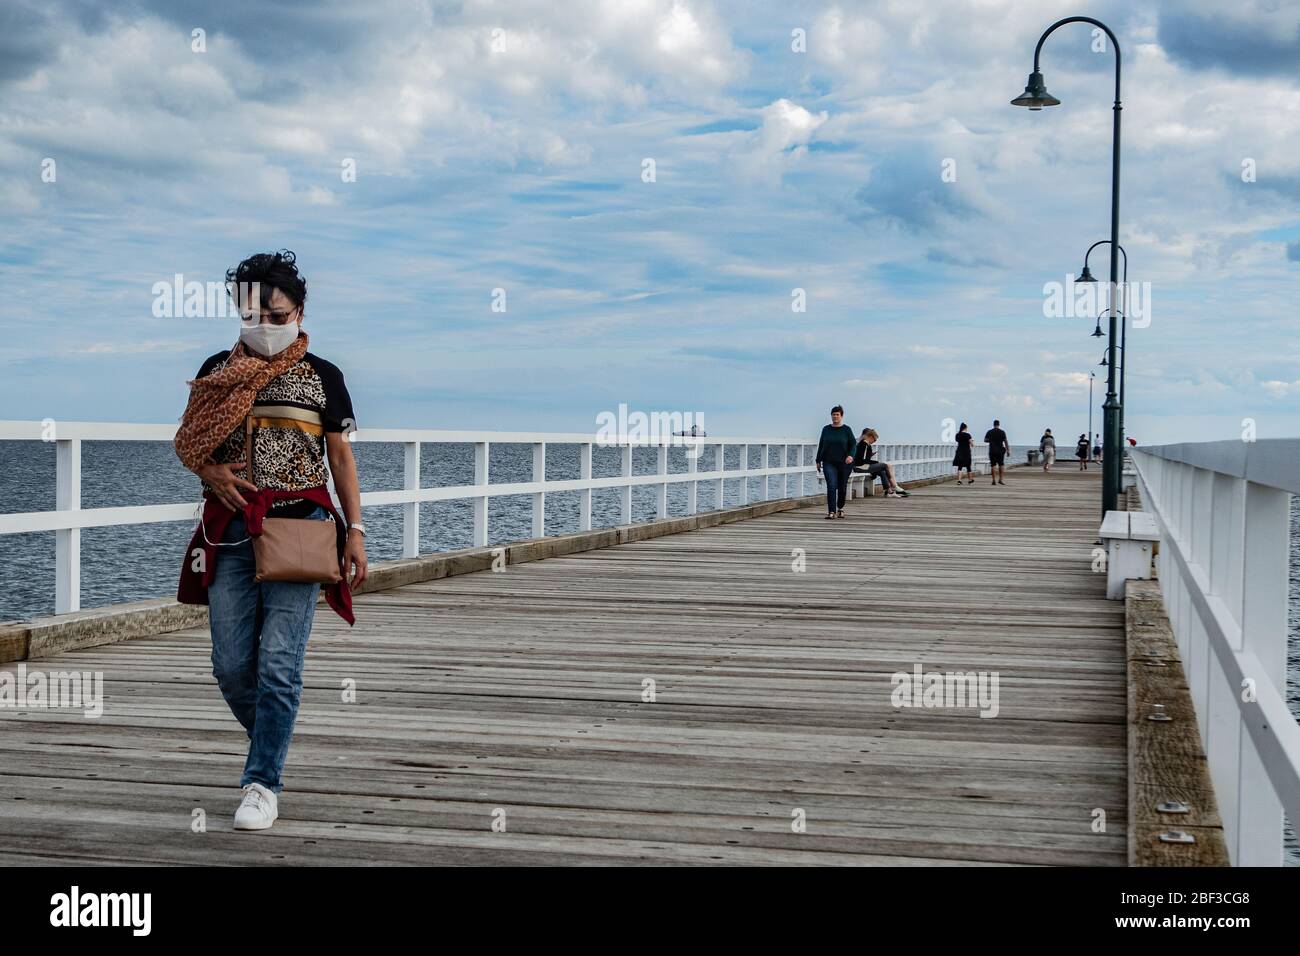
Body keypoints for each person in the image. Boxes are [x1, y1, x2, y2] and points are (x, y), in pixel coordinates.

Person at [173, 250, 368, 832]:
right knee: (232, 667)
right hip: (230, 532)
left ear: (299, 311)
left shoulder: (324, 376)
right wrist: (210, 473)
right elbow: (190, 443)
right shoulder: (217, 368)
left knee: (280, 666)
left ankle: (262, 783)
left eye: (277, 314)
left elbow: (340, 458)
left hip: (302, 533)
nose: (264, 324)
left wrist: (354, 531)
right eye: (253, 312)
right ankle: (274, 742)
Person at [815, 405, 856, 518]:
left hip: (844, 463)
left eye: (837, 415)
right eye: (833, 415)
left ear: (841, 416)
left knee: (842, 486)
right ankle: (831, 511)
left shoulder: (846, 430)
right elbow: (821, 444)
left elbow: (853, 444)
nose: (835, 417)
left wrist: (850, 456)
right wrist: (818, 460)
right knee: (831, 485)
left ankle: (840, 508)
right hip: (829, 462)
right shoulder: (826, 429)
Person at [855, 428, 909, 497]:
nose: (874, 441)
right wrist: (876, 462)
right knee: (886, 465)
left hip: (863, 466)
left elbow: (863, 458)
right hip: (860, 467)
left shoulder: (866, 445)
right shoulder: (864, 444)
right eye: (874, 439)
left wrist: (871, 458)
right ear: (870, 437)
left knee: (882, 471)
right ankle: (894, 486)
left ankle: (889, 492)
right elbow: (860, 461)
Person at [983, 419, 1010, 486]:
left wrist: (991, 440)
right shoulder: (1002, 432)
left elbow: (985, 440)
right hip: (1000, 450)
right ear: (999, 424)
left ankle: (993, 480)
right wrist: (1008, 450)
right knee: (1001, 464)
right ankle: (1000, 479)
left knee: (993, 465)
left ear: (993, 424)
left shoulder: (989, 432)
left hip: (992, 450)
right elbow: (1005, 441)